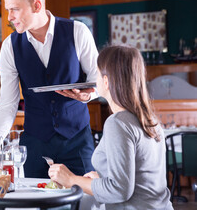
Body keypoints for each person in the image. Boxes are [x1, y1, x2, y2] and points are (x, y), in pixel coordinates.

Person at [0, 0, 98, 178]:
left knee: (82, 201)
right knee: (34, 204)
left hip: (77, 140)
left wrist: (89, 95)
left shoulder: (77, 31)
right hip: (35, 143)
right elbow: (8, 103)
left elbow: (97, 77)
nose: (9, 17)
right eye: (7, 10)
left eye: (14, 9)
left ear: (36, 5)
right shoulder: (9, 46)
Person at [48, 45, 173, 209]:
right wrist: (101, 178)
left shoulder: (118, 123)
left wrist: (71, 179)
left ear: (106, 81)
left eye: (97, 73)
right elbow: (142, 177)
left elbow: (119, 190)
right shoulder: (150, 119)